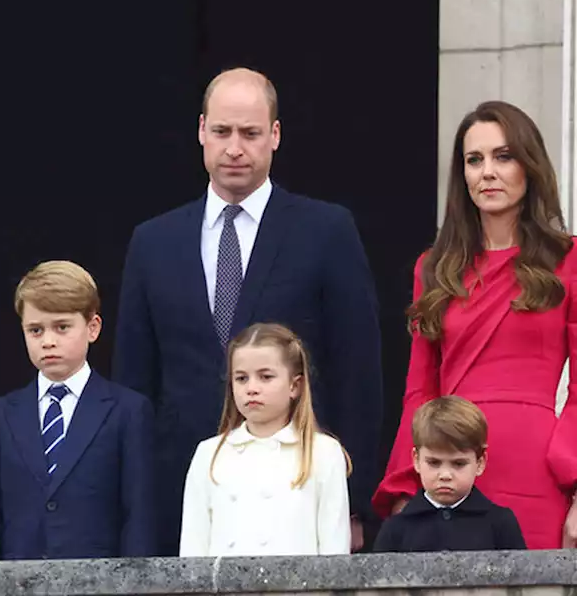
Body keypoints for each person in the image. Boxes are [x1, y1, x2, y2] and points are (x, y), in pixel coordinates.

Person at [115, 67, 382, 555]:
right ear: (201, 131)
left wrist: (354, 502)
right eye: (221, 132)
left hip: (298, 493)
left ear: (275, 135)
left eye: (250, 133)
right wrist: (136, 509)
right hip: (183, 495)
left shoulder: (325, 232)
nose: (234, 147)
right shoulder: (153, 242)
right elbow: (135, 383)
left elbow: (357, 373)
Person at [373, 101, 577, 550]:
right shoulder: (434, 267)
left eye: (503, 156)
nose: (488, 172)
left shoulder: (570, 259)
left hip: (538, 470)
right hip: (450, 465)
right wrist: (410, 483)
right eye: (474, 159)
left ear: (531, 165)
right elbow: (419, 389)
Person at [0, 260, 153, 560]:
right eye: (35, 330)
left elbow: (138, 515)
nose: (48, 341)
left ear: (93, 328)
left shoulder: (128, 410)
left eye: (62, 327)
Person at [179, 323, 350, 556]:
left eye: (265, 377)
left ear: (295, 385)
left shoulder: (323, 452)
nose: (252, 388)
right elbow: (192, 551)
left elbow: (334, 550)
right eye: (241, 378)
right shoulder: (209, 454)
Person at [373, 396, 526, 552]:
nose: (445, 475)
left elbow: (521, 575)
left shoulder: (500, 524)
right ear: (416, 460)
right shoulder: (395, 529)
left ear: (480, 463)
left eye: (458, 464)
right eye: (434, 463)